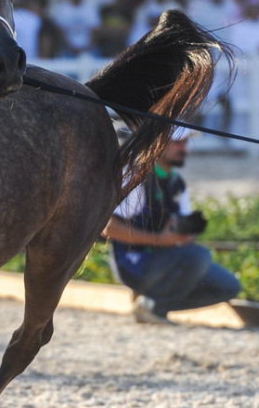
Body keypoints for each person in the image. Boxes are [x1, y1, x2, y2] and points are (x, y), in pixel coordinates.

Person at [102, 128, 241, 324]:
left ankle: (151, 305)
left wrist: (186, 233)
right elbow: (109, 228)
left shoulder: (177, 183)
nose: (184, 148)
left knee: (229, 286)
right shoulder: (138, 178)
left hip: (167, 259)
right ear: (156, 145)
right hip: (134, 264)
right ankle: (153, 305)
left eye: (185, 143)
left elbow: (185, 227)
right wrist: (161, 240)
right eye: (177, 143)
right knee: (199, 255)